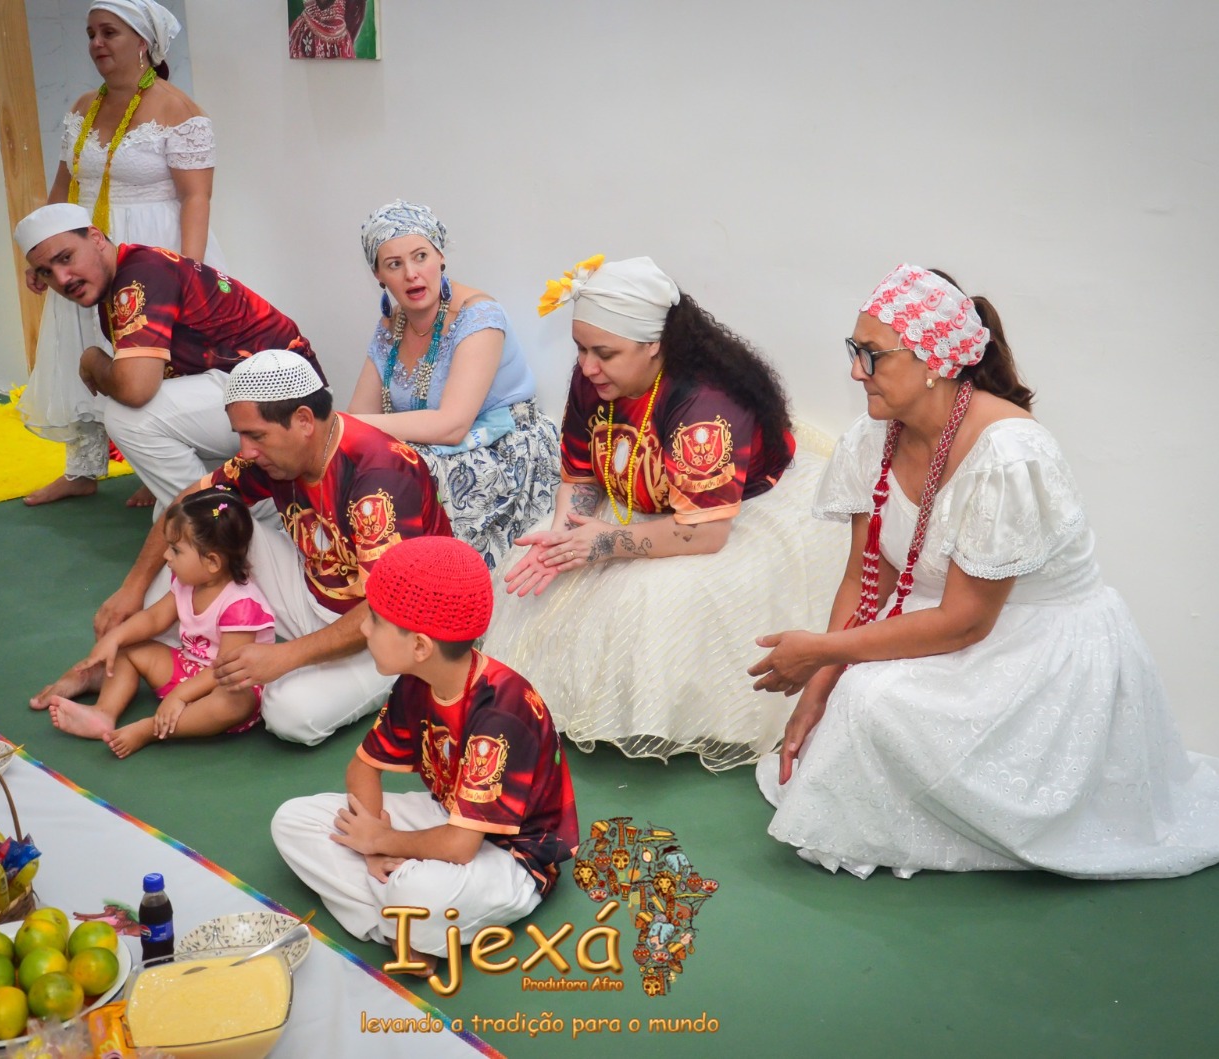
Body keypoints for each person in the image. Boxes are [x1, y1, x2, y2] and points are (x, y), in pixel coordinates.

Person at [751, 263, 1219, 879]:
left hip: (1035, 646)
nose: (854, 372)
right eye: (854, 350)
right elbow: (865, 580)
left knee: (871, 701)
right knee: (850, 702)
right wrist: (818, 688)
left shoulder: (1009, 453)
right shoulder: (872, 439)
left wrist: (822, 652)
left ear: (935, 361)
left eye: (872, 355)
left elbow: (966, 622)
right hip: (939, 625)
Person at [487, 255, 849, 772]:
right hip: (637, 503)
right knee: (532, 569)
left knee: (650, 600)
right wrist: (566, 535)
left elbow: (706, 534)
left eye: (604, 353)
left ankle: (652, 717)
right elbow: (580, 475)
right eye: (581, 349)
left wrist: (603, 543)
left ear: (653, 344)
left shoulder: (706, 406)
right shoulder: (594, 378)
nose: (587, 367)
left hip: (725, 515)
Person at [36, 348, 455, 745]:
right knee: (199, 534)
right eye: (241, 435)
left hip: (392, 628)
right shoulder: (275, 455)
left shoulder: (379, 477)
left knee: (290, 715)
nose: (246, 451)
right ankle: (112, 667)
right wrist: (132, 587)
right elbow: (188, 503)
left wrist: (285, 657)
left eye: (256, 436)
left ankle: (382, 680)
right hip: (314, 590)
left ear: (304, 420)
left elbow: (387, 605)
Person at [271, 535, 578, 967]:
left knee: (417, 893)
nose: (363, 629)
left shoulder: (501, 715)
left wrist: (383, 839)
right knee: (293, 821)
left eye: (374, 620)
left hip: (510, 856)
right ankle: (398, 928)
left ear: (419, 646)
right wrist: (374, 847)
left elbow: (461, 847)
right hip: (448, 815)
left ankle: (398, 917)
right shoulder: (417, 681)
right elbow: (363, 768)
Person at [18, 0, 223, 508]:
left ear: (143, 42)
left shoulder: (180, 110)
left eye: (108, 32)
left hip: (155, 248)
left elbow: (196, 198)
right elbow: (64, 186)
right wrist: (40, 255)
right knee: (82, 343)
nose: (96, 44)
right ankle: (83, 468)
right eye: (91, 33)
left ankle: (160, 467)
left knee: (154, 358)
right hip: (82, 250)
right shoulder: (83, 106)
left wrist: (189, 273)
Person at [13, 202, 324, 517]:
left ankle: (231, 521)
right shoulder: (130, 273)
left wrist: (93, 360)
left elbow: (136, 388)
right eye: (46, 272)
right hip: (256, 393)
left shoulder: (139, 277)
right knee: (167, 516)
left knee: (127, 417)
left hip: (283, 399)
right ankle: (248, 510)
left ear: (95, 237)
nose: (62, 278)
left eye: (66, 258)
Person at [345, 201, 558, 571]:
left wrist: (345, 426)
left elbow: (453, 425)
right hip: (434, 450)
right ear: (378, 275)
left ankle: (423, 590)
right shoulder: (391, 326)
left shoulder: (479, 316)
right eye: (394, 264)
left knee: (398, 476)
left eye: (421, 256)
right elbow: (358, 418)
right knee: (349, 469)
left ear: (440, 256)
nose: (412, 274)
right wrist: (344, 430)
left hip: (504, 453)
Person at [44, 487, 275, 758]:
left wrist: (180, 695)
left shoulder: (241, 605)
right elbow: (154, 618)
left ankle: (150, 729)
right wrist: (114, 638)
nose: (166, 556)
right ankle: (104, 713)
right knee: (129, 648)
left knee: (233, 702)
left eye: (175, 550)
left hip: (225, 682)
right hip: (189, 669)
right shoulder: (188, 582)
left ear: (212, 562)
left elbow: (224, 670)